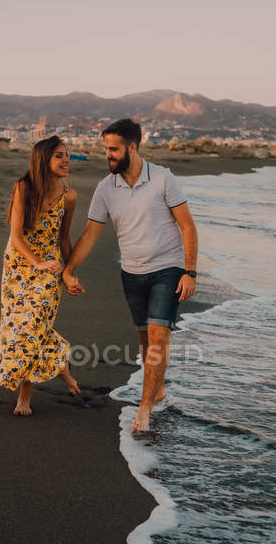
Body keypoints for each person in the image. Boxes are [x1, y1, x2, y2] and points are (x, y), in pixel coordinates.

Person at [62, 119, 198, 432]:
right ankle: (158, 388)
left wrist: (190, 272)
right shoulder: (105, 188)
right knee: (145, 342)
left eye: (113, 149)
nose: (107, 155)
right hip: (132, 273)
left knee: (158, 336)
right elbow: (90, 234)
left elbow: (188, 226)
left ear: (132, 147)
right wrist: (69, 270)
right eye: (105, 149)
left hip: (168, 269)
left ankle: (145, 408)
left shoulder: (163, 179)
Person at [0, 136, 80, 416]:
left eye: (67, 155)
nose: (66, 159)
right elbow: (16, 236)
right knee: (18, 328)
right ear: (43, 159)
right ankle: (60, 365)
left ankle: (24, 398)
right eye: (59, 155)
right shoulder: (23, 188)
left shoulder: (69, 197)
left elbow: (65, 239)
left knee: (31, 328)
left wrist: (69, 273)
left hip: (50, 270)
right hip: (18, 266)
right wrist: (37, 262)